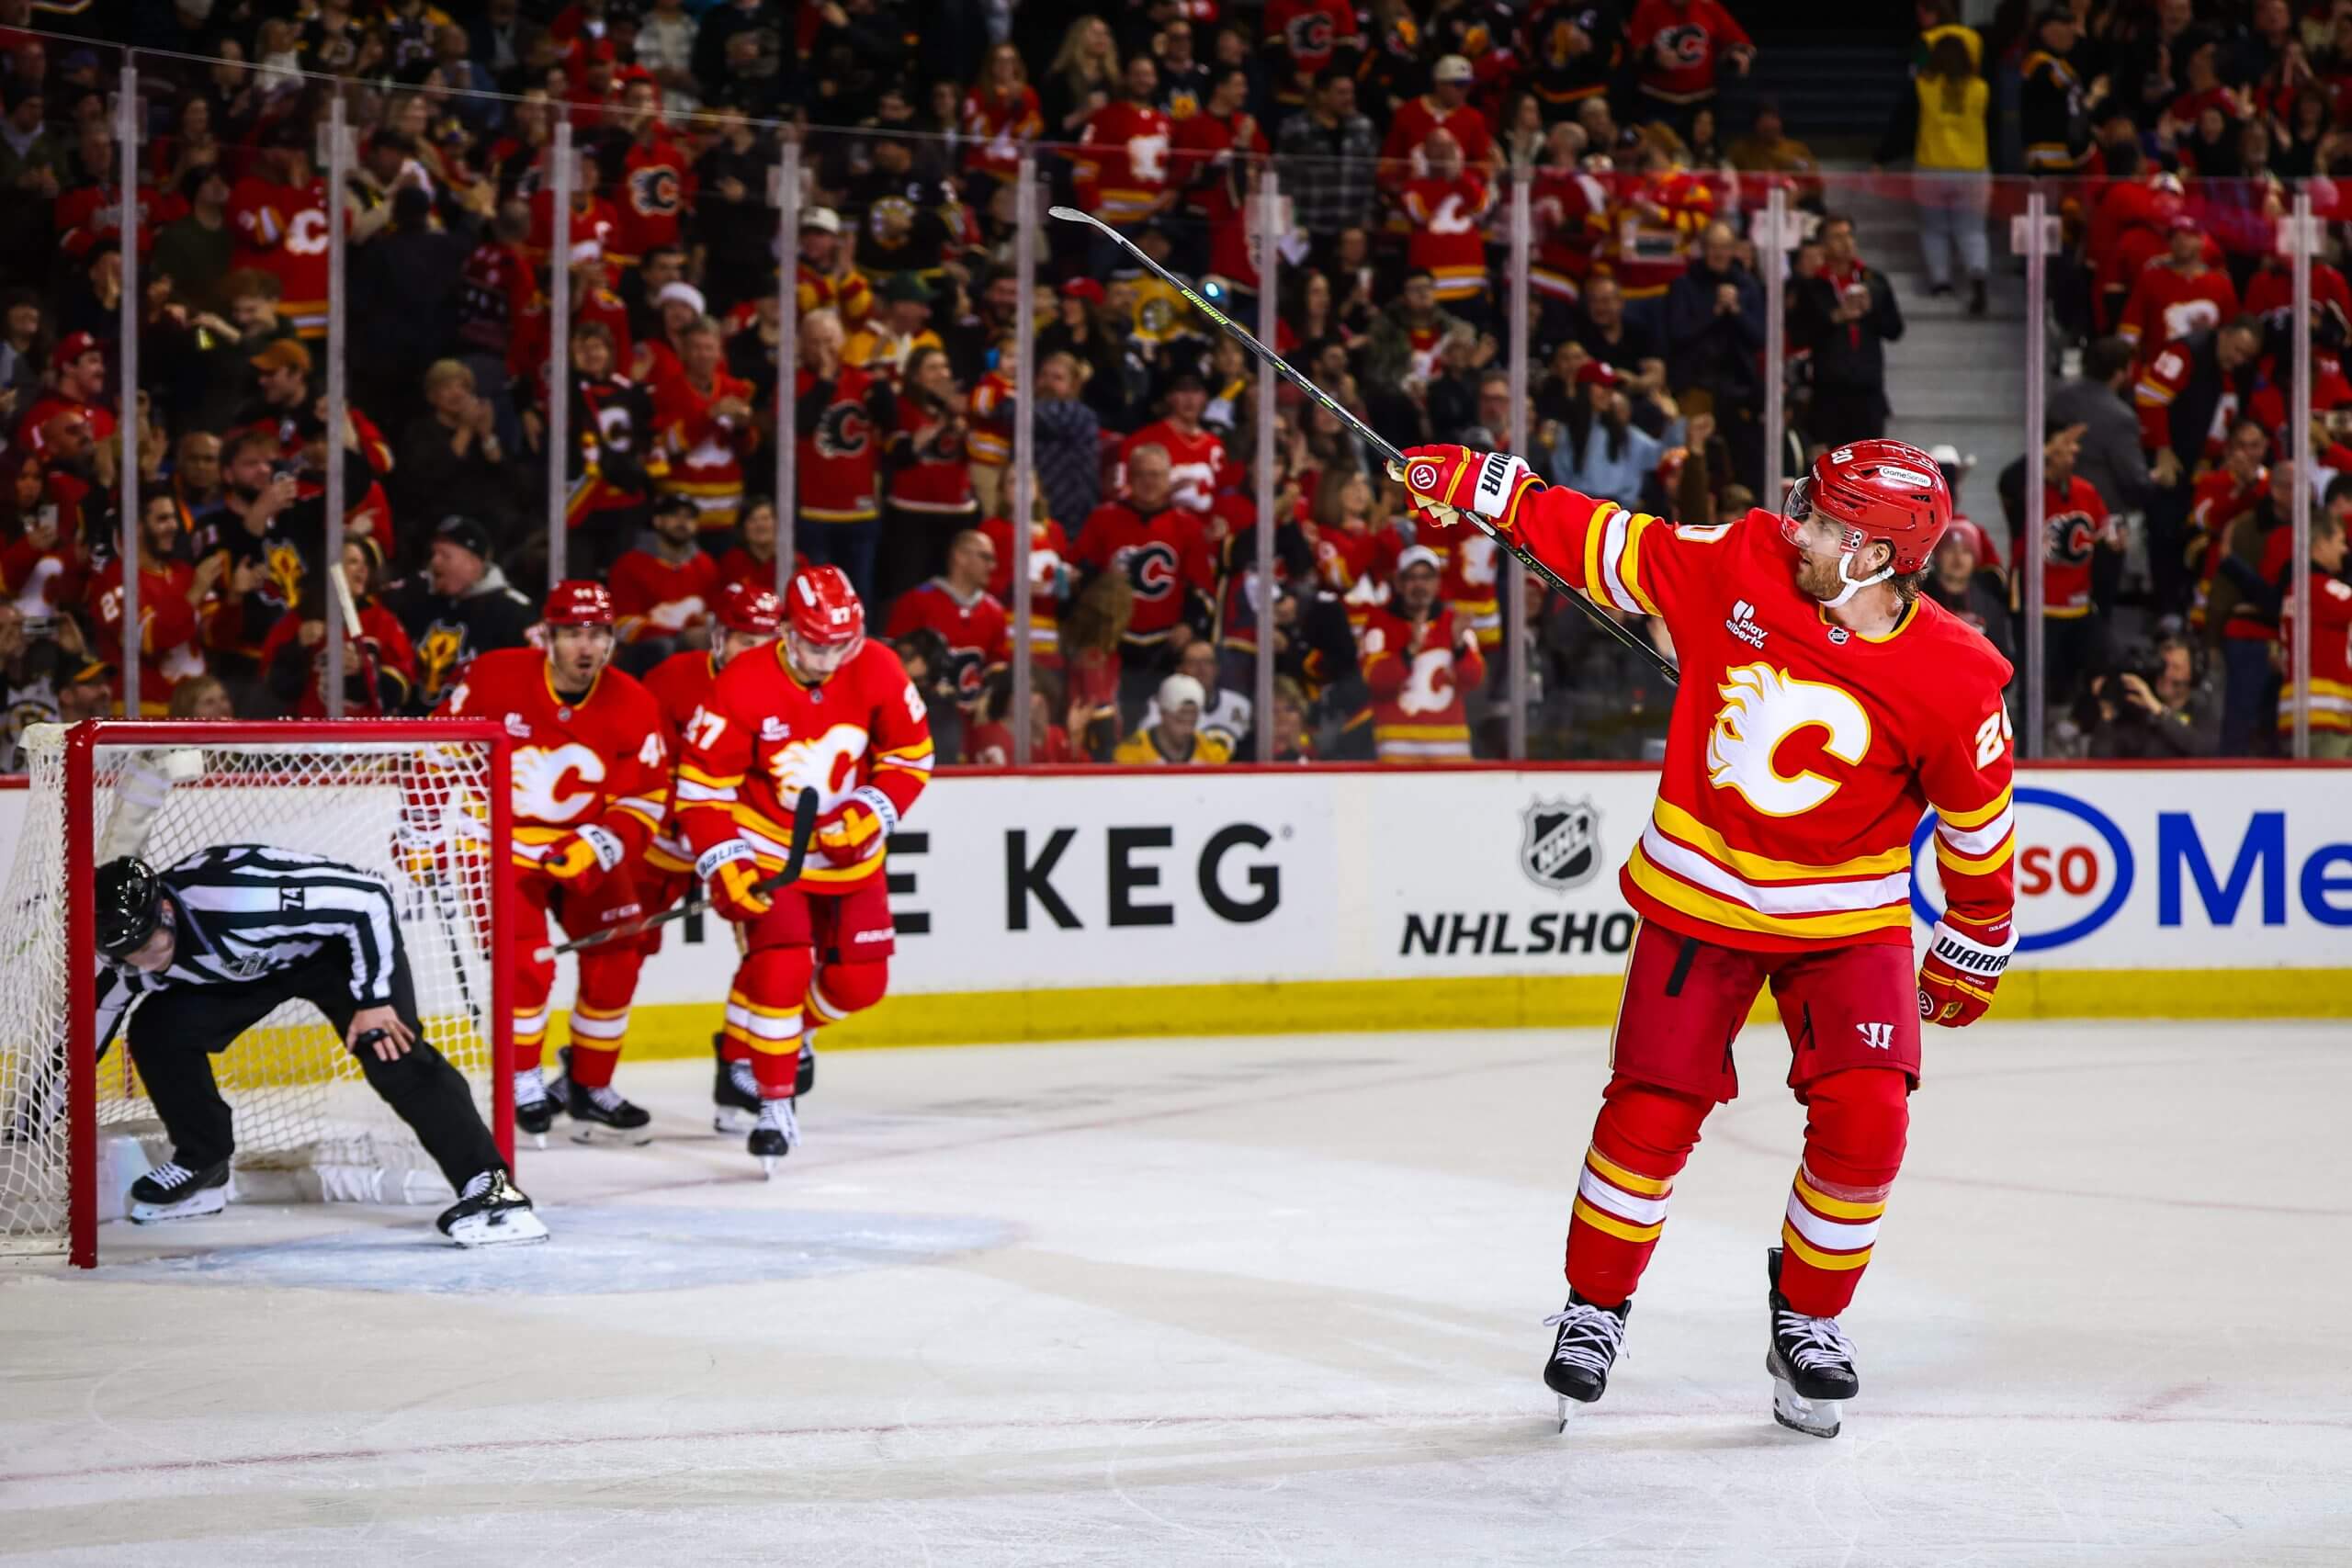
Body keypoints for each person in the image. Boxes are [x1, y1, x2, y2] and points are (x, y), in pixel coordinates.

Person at [1396, 436, 2015, 1438]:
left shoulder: (1954, 674)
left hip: (1846, 923)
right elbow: (1608, 542)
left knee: (1868, 1122)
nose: (1798, 528)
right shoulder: (1741, 559)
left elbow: (1979, 826)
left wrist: (1976, 934)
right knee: (1649, 1112)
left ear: (1874, 556)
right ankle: (1595, 1307)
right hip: (1701, 897)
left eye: (1825, 523)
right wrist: (1486, 486)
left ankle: (1808, 1319)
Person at [92, 850, 541, 1247]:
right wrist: (50, 1106)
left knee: (391, 1049)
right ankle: (203, 1162)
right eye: (130, 954)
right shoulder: (125, 962)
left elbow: (368, 898)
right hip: (255, 969)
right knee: (156, 1030)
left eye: (149, 943)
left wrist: (374, 999)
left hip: (335, 951)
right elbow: (86, 1038)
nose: (144, 961)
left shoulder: (240, 897)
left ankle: (491, 1187)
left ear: (166, 909)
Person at [678, 567, 934, 1174]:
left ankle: (787, 1037)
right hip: (772, 852)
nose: (828, 660)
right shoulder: (743, 682)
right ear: (787, 632)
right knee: (781, 969)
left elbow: (910, 755)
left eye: (841, 645)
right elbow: (702, 788)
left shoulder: (878, 666)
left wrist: (871, 810)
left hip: (852, 859)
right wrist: (727, 860)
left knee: (860, 983)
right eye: (816, 645)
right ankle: (774, 1105)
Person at [442, 581, 669, 1145]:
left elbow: (644, 800)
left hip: (582, 847)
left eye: (597, 634)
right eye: (571, 634)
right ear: (546, 636)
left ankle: (590, 1084)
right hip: (500, 844)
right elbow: (440, 749)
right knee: (527, 966)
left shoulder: (633, 702)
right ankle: (522, 1077)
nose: (586, 647)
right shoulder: (495, 677)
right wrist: (423, 827)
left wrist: (600, 843)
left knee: (619, 953)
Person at [637, 581, 796, 1124]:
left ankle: (737, 1063)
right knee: (621, 954)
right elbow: (642, 763)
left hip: (741, 840)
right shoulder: (670, 680)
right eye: (745, 640)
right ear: (719, 637)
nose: (756, 653)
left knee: (765, 948)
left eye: (767, 642)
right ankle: (588, 1077)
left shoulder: (788, 687)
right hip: (663, 842)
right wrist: (676, 819)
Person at [1876, 32, 1991, 314]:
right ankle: (1977, 274)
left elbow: (1903, 126)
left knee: (1934, 229)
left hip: (1931, 169)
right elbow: (1995, 128)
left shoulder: (1922, 87)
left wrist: (1881, 158)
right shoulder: (1981, 88)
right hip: (1973, 169)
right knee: (1972, 229)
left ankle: (1941, 282)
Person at [391, 514, 536, 712]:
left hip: (478, 727)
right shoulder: (416, 597)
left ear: (473, 563)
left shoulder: (514, 612)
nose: (434, 562)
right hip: (415, 725)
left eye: (445, 556)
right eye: (433, 554)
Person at [1358, 544, 1487, 762]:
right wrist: (1410, 651)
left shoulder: (1454, 624)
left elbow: (1473, 679)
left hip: (1452, 751)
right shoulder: (1380, 624)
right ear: (1399, 583)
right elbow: (1375, 682)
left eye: (1426, 577)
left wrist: (1459, 647)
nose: (1420, 585)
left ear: (1437, 583)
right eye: (1412, 578)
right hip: (1398, 751)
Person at [1793, 215, 1905, 447]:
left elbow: (1895, 329)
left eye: (1849, 236)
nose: (1846, 243)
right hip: (1829, 394)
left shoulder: (1875, 281)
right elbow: (1799, 336)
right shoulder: (1812, 287)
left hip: (1868, 391)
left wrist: (1871, 310)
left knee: (1868, 460)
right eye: (1837, 237)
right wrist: (1834, 317)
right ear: (1823, 245)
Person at [2278, 511, 2352, 758]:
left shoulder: (2295, 590)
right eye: (2340, 541)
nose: (2345, 549)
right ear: (2320, 544)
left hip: (2307, 715)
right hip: (2325, 716)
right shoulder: (2319, 589)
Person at [1114, 671, 1231, 764]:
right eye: (1181, 714)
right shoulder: (1132, 752)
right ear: (1162, 712)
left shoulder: (1212, 753)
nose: (1187, 720)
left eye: (1192, 714)